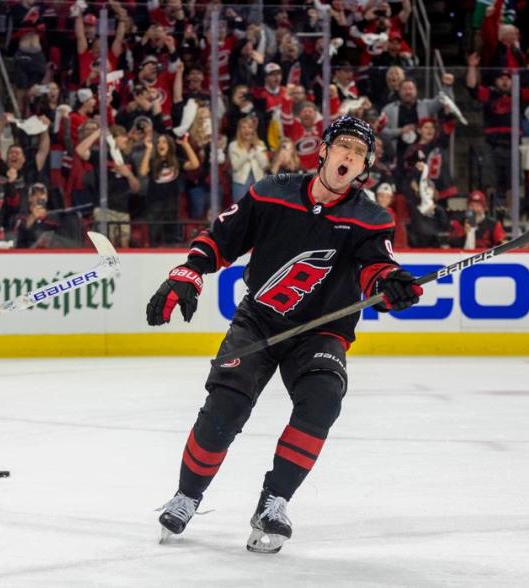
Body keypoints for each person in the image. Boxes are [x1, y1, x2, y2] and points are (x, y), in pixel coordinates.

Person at [148, 116, 423, 553]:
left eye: (359, 153)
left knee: (323, 400)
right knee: (226, 404)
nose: (349, 156)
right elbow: (221, 237)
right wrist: (189, 272)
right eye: (344, 146)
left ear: (364, 167)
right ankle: (186, 496)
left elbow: (377, 268)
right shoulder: (271, 191)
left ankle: (274, 502)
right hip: (260, 319)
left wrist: (392, 285)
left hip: (322, 331)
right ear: (325, 151)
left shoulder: (370, 218)